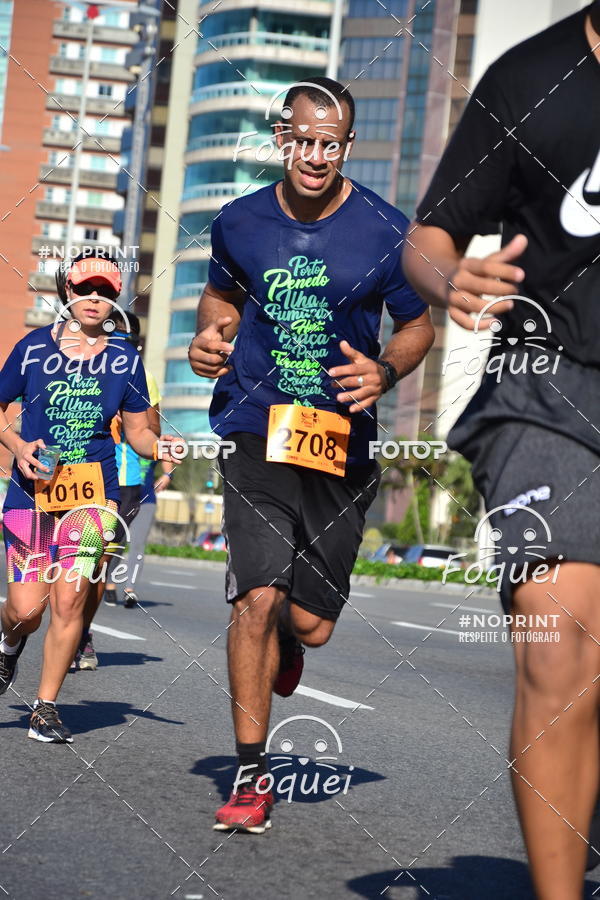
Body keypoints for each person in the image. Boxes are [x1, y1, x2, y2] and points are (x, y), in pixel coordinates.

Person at [188, 76, 434, 833]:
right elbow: (221, 297)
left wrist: (385, 369)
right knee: (255, 597)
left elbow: (418, 323)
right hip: (257, 424)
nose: (315, 154)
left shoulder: (389, 232)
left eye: (331, 143)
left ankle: (293, 641)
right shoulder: (238, 221)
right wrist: (211, 335)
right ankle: (253, 774)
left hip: (340, 441)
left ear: (347, 147)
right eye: (303, 139)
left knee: (310, 622)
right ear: (281, 138)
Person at [402, 5, 600, 896]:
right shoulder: (530, 77)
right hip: (545, 376)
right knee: (558, 637)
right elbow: (430, 236)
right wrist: (453, 282)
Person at [0, 251, 177, 742]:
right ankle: (9, 646)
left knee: (71, 602)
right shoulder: (33, 349)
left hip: (92, 497)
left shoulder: (125, 359)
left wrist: (161, 447)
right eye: (84, 290)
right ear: (67, 295)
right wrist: (17, 445)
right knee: (26, 610)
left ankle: (45, 707)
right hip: (30, 494)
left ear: (115, 298)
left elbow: (139, 431)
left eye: (104, 290)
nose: (93, 298)